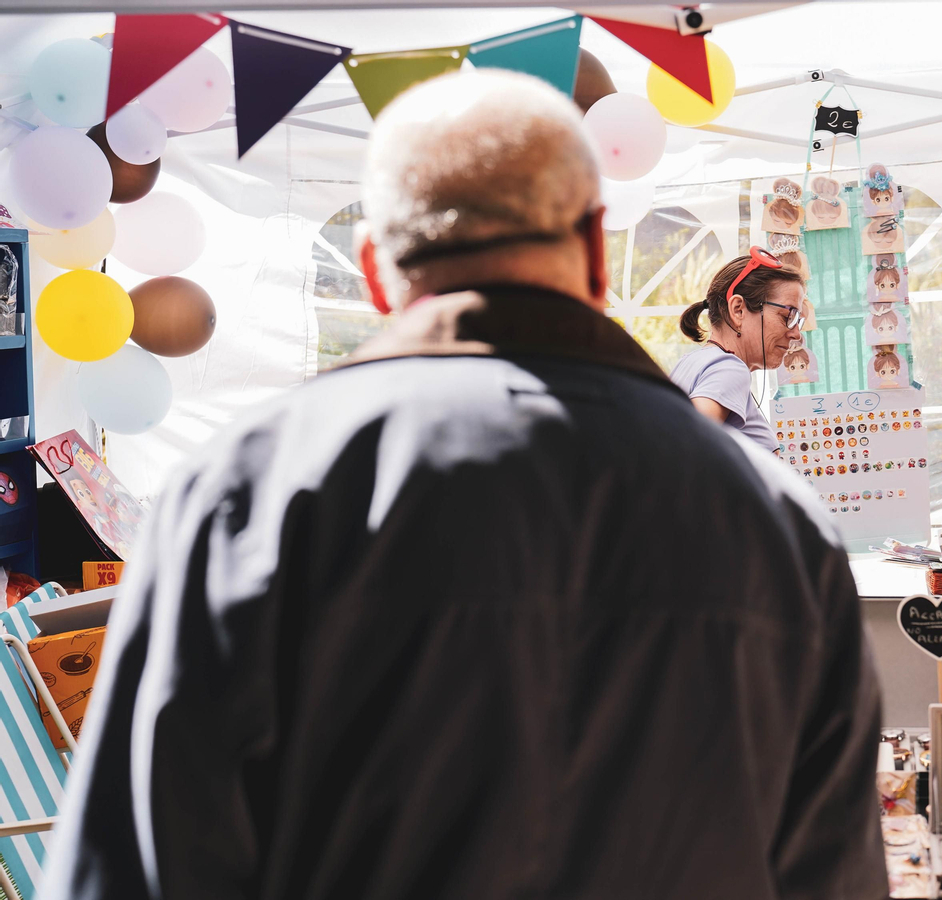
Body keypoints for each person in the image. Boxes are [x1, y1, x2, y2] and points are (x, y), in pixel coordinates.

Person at [42, 70, 887, 900]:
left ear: (376, 271)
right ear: (595, 255)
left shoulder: (240, 496)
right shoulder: (777, 521)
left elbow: (139, 864)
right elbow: (831, 873)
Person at [673, 248, 806, 453]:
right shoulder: (730, 368)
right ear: (738, 310)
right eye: (787, 316)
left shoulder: (689, 362)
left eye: (798, 320)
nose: (796, 333)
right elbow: (685, 438)